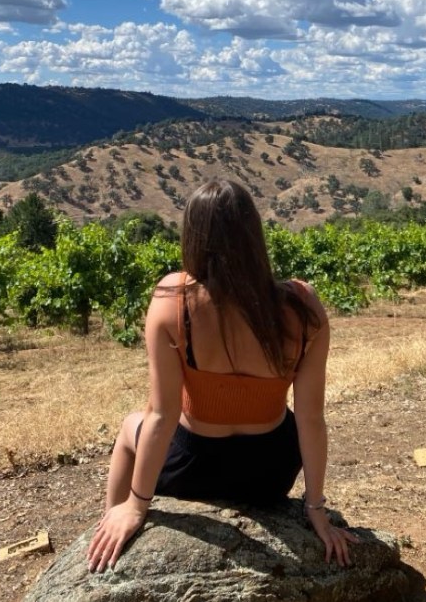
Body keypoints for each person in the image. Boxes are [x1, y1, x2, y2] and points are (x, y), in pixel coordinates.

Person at [87, 178, 358, 572]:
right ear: (254, 235)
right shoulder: (303, 306)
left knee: (132, 425)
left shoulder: (173, 299)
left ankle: (111, 524)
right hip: (270, 472)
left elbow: (161, 416)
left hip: (190, 471)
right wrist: (315, 507)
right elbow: (311, 419)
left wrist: (137, 504)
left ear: (193, 237)